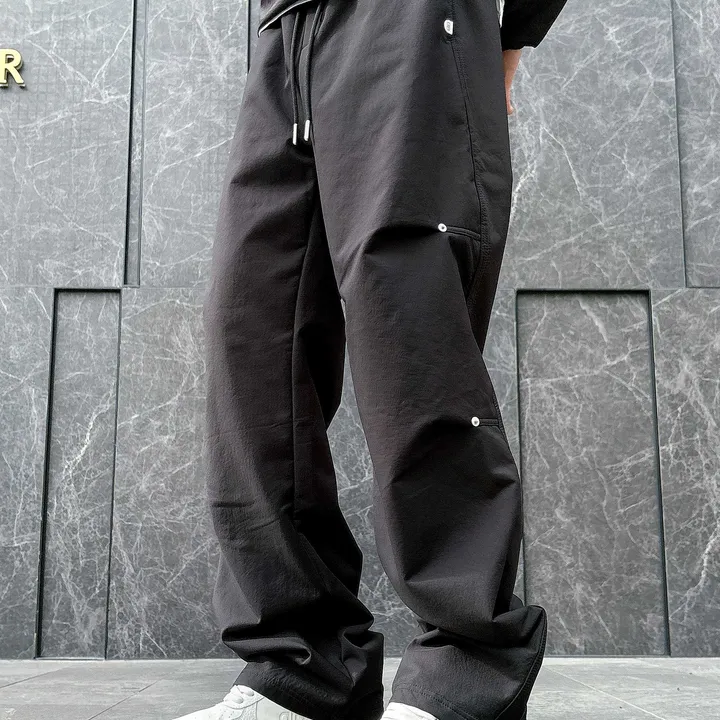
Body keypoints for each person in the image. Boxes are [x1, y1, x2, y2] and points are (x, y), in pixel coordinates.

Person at [178, 0, 567, 719]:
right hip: (286, 36)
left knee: (408, 325)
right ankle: (302, 667)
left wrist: (513, 34)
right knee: (253, 332)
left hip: (410, 20)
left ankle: (467, 672)